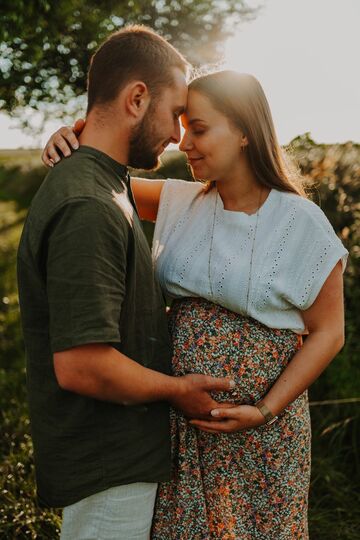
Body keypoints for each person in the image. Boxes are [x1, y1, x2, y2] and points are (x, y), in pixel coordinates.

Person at [43, 70, 348, 539]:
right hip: (184, 432)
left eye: (199, 129)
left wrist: (265, 408)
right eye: (182, 126)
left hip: (264, 436)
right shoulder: (180, 202)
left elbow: (329, 331)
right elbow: (102, 176)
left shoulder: (300, 221)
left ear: (246, 131)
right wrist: (72, 135)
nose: (183, 143)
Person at [17, 26, 235, 540]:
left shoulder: (105, 184)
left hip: (121, 458)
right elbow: (81, 365)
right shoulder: (88, 205)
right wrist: (178, 391)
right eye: (176, 113)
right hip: (106, 466)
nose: (179, 134)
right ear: (137, 97)